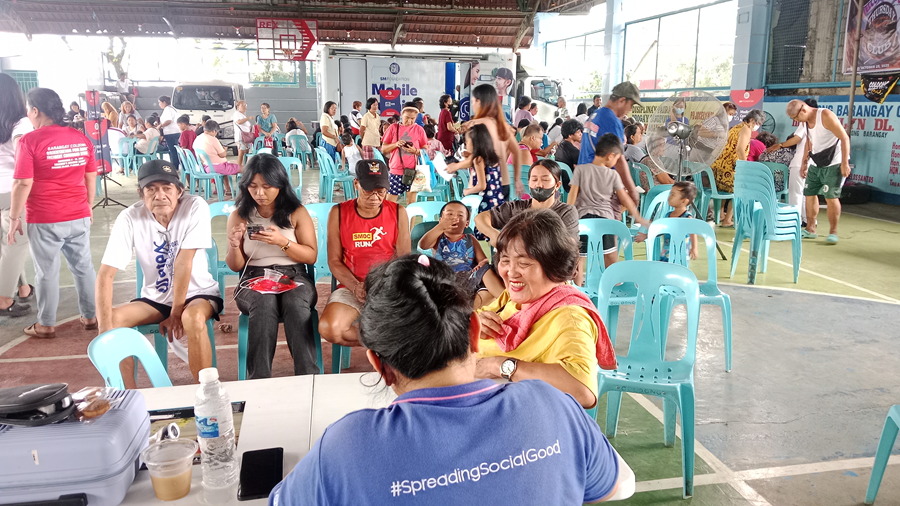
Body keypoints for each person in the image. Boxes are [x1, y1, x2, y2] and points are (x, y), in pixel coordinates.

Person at [269, 252, 634, 505]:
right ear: (474, 332)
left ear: (379, 365)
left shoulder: (344, 448)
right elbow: (615, 486)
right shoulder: (553, 406)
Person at [475, 209, 618, 408]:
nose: (511, 272)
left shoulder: (570, 318)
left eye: (524, 263)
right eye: (505, 260)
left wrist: (500, 365)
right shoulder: (514, 297)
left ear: (553, 265)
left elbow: (582, 391)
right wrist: (475, 324)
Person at [96, 159, 221, 386]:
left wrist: (176, 312)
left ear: (179, 191)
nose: (159, 195)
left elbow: (183, 262)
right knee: (111, 322)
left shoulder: (195, 206)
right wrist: (105, 333)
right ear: (141, 194)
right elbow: (105, 274)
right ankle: (126, 395)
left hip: (197, 294)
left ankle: (207, 391)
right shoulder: (129, 217)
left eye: (166, 188)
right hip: (156, 299)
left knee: (192, 317)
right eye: (151, 189)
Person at [7, 87, 96, 338]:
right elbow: (90, 176)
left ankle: (46, 324)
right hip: (78, 214)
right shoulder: (81, 138)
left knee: (46, 272)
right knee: (84, 267)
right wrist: (88, 205)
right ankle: (91, 317)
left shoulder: (30, 141)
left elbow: (22, 183)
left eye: (28, 111)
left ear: (35, 111)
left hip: (45, 217)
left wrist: (14, 218)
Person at [224, 154, 319, 379]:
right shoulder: (239, 216)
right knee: (263, 302)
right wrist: (235, 246)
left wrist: (282, 242)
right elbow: (236, 266)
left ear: (280, 184)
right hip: (253, 276)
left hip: (293, 274)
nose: (259, 193)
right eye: (253, 186)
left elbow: (311, 256)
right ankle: (259, 380)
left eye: (267, 187)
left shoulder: (296, 212)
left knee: (295, 302)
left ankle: (308, 377)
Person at [318, 160, 411, 347]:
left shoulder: (398, 212)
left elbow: (403, 260)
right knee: (330, 329)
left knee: (419, 323)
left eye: (381, 191)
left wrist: (385, 285)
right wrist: (356, 286)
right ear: (356, 184)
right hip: (351, 285)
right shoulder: (338, 212)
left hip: (388, 284)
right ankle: (387, 341)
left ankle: (384, 341)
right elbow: (334, 261)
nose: (375, 197)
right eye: (368, 190)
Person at [569, 133, 649, 267]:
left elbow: (572, 195)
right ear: (610, 156)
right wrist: (638, 217)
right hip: (606, 220)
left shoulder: (580, 170)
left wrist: (568, 215)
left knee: (579, 259)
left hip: (582, 220)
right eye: (616, 159)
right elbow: (625, 198)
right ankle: (612, 280)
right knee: (611, 258)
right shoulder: (612, 174)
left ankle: (577, 281)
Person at [475, 159, 580, 250]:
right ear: (529, 183)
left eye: (545, 180)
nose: (538, 184)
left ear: (557, 185)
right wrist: (494, 234)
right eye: (534, 179)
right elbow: (480, 218)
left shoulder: (566, 212)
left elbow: (570, 245)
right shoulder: (516, 208)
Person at [786, 99, 851, 244]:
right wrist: (804, 162)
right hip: (816, 161)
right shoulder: (805, 122)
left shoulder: (825, 115)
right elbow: (809, 141)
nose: (796, 121)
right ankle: (810, 229)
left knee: (830, 196)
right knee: (809, 193)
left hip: (834, 161)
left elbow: (844, 138)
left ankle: (833, 231)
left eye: (796, 117)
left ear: (803, 110)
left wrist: (844, 163)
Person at [418, 201, 505, 308]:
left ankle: (505, 298)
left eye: (460, 215)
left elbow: (483, 259)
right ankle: (469, 308)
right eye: (449, 214)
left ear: (467, 223)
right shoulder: (438, 239)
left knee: (486, 270)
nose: (454, 218)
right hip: (446, 279)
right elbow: (423, 245)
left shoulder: (471, 239)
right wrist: (440, 227)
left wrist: (481, 264)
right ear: (441, 220)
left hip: (469, 278)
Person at [578, 82, 642, 220]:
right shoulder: (611, 121)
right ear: (622, 100)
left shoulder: (595, 116)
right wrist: (632, 191)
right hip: (602, 188)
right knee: (607, 229)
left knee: (590, 229)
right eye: (631, 105)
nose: (630, 109)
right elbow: (618, 160)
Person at [0, 73, 33, 317]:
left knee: (7, 244)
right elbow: (25, 160)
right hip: (11, 191)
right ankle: (3, 299)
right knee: (15, 243)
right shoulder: (20, 124)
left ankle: (23, 288)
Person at [447, 124, 505, 239]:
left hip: (485, 202)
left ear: (475, 144)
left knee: (483, 229)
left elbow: (482, 185)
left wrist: (467, 191)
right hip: (497, 200)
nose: (465, 145)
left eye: (467, 142)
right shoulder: (491, 156)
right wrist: (469, 156)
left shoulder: (478, 159)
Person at [466, 84, 523, 199]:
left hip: (481, 184)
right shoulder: (503, 126)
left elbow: (472, 159)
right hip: (503, 183)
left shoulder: (473, 125)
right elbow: (517, 151)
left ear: (479, 102)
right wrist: (517, 179)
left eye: (473, 101)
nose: (473, 105)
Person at [767, 98, 817, 225]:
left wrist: (780, 145)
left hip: (800, 162)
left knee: (795, 193)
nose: (796, 119)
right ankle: (808, 220)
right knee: (807, 194)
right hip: (813, 163)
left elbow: (797, 138)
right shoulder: (819, 122)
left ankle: (795, 220)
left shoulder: (805, 122)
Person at [710, 109, 764, 226]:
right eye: (757, 123)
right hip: (730, 167)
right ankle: (728, 220)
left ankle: (720, 215)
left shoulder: (736, 127)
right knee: (740, 190)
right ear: (751, 120)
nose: (757, 126)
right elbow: (740, 149)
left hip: (720, 166)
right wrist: (746, 166)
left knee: (724, 190)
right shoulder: (746, 129)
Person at [381, 105, 427, 204]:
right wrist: (396, 144)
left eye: (412, 118)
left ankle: (409, 216)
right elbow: (384, 149)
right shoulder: (393, 128)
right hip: (396, 170)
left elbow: (425, 150)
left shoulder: (419, 130)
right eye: (407, 118)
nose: (409, 121)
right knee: (390, 203)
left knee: (411, 202)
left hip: (413, 171)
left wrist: (415, 151)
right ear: (402, 115)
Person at [655, 181, 699, 262]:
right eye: (670, 194)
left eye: (673, 195)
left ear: (684, 201)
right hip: (666, 252)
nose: (669, 197)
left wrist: (694, 248)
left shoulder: (687, 218)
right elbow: (661, 230)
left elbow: (693, 233)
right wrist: (647, 235)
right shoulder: (668, 215)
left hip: (681, 255)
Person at [193, 120, 239, 196]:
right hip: (216, 167)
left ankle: (227, 189)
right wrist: (225, 149)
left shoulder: (198, 138)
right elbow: (223, 155)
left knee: (226, 166)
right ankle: (243, 192)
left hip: (204, 166)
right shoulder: (213, 139)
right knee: (244, 169)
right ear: (214, 131)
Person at [555, 119, 583, 191]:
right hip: (570, 185)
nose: (581, 134)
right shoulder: (575, 151)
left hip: (560, 183)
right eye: (578, 132)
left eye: (581, 132)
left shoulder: (560, 146)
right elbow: (578, 174)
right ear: (570, 135)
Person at [155, 95, 180, 171]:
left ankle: (174, 167)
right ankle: (175, 165)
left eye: (160, 102)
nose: (159, 104)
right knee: (174, 150)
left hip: (171, 133)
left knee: (173, 150)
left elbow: (168, 121)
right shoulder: (172, 109)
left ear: (164, 102)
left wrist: (160, 126)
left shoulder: (167, 109)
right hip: (175, 132)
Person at [233, 100, 253, 168]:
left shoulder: (243, 115)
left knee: (246, 152)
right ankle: (239, 168)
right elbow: (239, 122)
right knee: (241, 152)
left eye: (245, 105)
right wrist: (248, 118)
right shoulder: (237, 113)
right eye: (243, 105)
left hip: (246, 137)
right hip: (241, 137)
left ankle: (244, 166)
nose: (245, 107)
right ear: (238, 106)